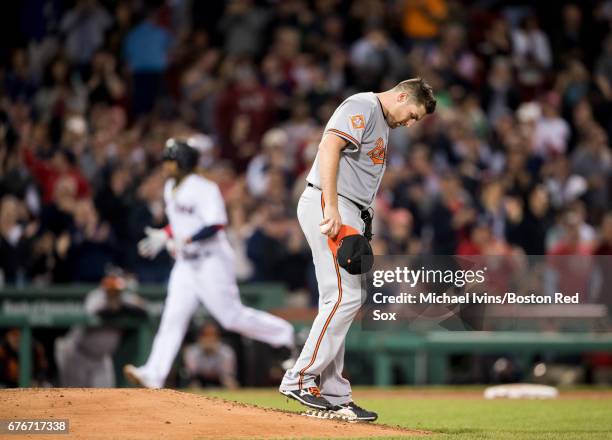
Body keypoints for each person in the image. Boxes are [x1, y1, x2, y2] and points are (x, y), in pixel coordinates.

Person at [279, 78, 436, 421]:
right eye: (412, 114)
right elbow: (329, 147)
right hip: (331, 202)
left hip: (350, 209)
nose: (410, 123)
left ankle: (334, 392)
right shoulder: (363, 105)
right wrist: (332, 207)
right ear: (401, 95)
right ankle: (300, 377)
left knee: (339, 299)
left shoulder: (382, 119)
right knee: (345, 298)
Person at [123, 138, 295, 389]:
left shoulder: (204, 188)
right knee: (172, 317)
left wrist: (185, 238)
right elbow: (181, 223)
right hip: (185, 265)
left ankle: (283, 334)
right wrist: (166, 234)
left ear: (182, 162)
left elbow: (216, 224)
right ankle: (153, 374)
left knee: (230, 317)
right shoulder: (171, 186)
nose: (165, 165)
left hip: (211, 261)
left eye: (170, 161)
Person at [55, 272, 146, 387]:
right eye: (111, 290)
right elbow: (97, 313)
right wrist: (120, 311)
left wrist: (123, 308)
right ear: (105, 288)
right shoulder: (96, 296)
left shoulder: (124, 298)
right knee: (75, 397)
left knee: (105, 397)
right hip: (78, 354)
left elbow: (143, 311)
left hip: (101, 359)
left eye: (116, 291)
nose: (114, 293)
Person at [182, 322, 238, 389]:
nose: (209, 339)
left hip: (220, 380)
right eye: (206, 335)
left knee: (230, 383)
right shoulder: (192, 351)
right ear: (200, 337)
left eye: (213, 335)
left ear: (218, 337)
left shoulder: (226, 351)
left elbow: (228, 373)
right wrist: (205, 351)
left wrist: (215, 352)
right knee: (194, 385)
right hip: (199, 380)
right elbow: (192, 372)